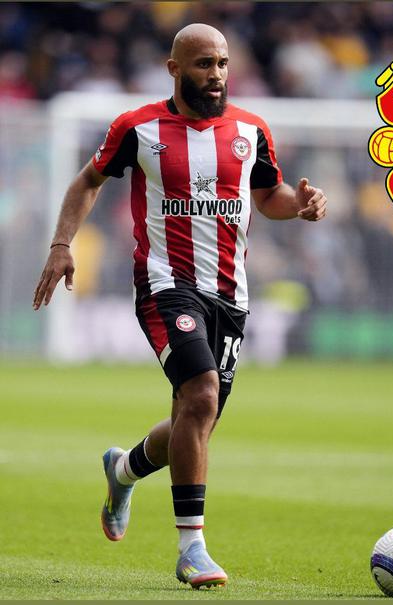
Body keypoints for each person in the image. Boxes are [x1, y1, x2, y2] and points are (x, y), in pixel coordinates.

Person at [32, 23, 327, 589]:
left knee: (198, 416)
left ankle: (123, 469)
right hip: (164, 283)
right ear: (174, 69)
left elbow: (270, 196)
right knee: (202, 394)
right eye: (202, 64)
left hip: (231, 296)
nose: (215, 75)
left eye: (222, 63)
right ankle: (192, 548)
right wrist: (62, 245)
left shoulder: (252, 130)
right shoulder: (137, 128)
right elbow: (88, 181)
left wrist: (302, 204)